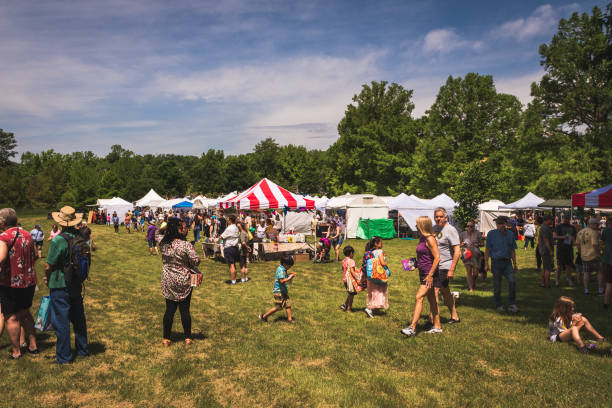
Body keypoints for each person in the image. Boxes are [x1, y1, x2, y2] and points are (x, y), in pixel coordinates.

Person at [45, 206, 88, 363]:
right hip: (76, 282)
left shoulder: (58, 240)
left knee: (61, 320)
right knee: (78, 318)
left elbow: (48, 266)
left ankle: (64, 356)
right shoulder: (81, 237)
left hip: (60, 283)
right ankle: (83, 349)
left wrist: (47, 279)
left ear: (61, 221)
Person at [0, 209, 39, 359]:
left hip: (10, 284)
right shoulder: (27, 234)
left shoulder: (4, 237)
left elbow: (1, 256)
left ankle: (16, 352)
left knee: (11, 318)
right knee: (25, 314)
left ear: (3, 222)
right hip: (28, 281)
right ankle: (33, 345)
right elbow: (35, 255)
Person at [159, 218, 200, 346]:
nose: (186, 229)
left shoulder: (163, 244)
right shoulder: (186, 245)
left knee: (169, 310)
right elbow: (196, 261)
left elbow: (159, 232)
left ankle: (166, 338)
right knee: (185, 310)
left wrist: (165, 227)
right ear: (178, 229)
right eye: (184, 227)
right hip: (183, 280)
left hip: (168, 279)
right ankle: (188, 337)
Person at [401, 216, 442, 337]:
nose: (415, 226)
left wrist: (430, 275)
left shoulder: (430, 239)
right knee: (432, 300)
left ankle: (412, 327)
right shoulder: (422, 238)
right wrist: (415, 265)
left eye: (417, 224)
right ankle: (437, 326)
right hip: (423, 272)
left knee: (419, 297)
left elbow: (437, 258)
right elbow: (424, 257)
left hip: (430, 274)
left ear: (423, 225)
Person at [484, 216, 519, 312]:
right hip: (496, 262)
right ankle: (498, 304)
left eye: (502, 223)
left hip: (507, 263)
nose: (500, 225)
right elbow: (487, 250)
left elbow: (512, 250)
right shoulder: (491, 234)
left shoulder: (510, 234)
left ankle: (512, 304)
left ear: (505, 224)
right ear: (496, 224)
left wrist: (515, 263)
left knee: (512, 281)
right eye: (498, 224)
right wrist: (486, 263)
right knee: (497, 285)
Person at [433, 208, 460, 323]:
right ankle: (455, 316)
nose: (438, 219)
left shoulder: (451, 230)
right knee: (445, 292)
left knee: (434, 292)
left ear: (445, 217)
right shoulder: (434, 229)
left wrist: (452, 269)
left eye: (440, 216)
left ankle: (433, 320)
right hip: (435, 265)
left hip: (446, 265)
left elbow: (457, 251)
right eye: (436, 217)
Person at [258, 255, 296, 323]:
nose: (289, 268)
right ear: (284, 264)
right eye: (289, 266)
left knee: (288, 304)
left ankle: (289, 319)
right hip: (279, 292)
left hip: (283, 291)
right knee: (278, 307)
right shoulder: (281, 270)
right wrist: (289, 278)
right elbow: (281, 281)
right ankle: (263, 316)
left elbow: (283, 277)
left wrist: (289, 275)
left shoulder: (282, 269)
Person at [364, 237, 389, 318]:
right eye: (381, 242)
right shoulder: (380, 251)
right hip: (379, 274)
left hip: (373, 273)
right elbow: (382, 262)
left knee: (373, 291)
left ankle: (371, 307)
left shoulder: (372, 252)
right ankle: (370, 308)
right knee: (379, 291)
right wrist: (387, 267)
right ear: (376, 244)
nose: (382, 244)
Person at [576, 218, 601, 295]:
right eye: (597, 224)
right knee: (599, 272)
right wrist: (598, 254)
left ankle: (586, 290)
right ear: (592, 224)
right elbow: (594, 245)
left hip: (584, 256)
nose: (598, 226)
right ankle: (600, 289)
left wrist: (580, 252)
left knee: (586, 273)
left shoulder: (580, 232)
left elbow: (577, 244)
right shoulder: (593, 232)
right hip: (594, 255)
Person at [460, 220, 483, 292]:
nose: (469, 227)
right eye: (468, 226)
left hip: (476, 254)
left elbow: (483, 244)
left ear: (474, 227)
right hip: (466, 253)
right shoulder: (462, 234)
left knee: (476, 272)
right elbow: (458, 244)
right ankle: (470, 288)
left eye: (471, 226)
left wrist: (478, 244)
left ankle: (473, 282)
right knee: (469, 271)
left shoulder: (478, 233)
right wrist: (462, 244)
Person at [554, 215, 576, 287]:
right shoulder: (558, 226)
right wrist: (562, 237)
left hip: (569, 248)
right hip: (561, 248)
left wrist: (574, 242)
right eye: (565, 219)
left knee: (568, 265)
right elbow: (554, 236)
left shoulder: (572, 227)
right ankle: (557, 280)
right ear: (562, 219)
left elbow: (573, 237)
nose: (566, 220)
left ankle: (569, 280)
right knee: (559, 266)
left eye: (568, 219)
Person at [340, 246, 362, 312]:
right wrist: (357, 279)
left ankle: (345, 305)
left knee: (350, 293)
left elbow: (343, 269)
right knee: (352, 294)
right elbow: (352, 271)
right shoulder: (351, 261)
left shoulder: (344, 260)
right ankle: (349, 309)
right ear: (351, 253)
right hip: (350, 280)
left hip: (345, 279)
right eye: (353, 253)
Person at [221, 215, 240, 285]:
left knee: (231, 265)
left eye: (228, 219)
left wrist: (218, 237)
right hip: (234, 247)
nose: (227, 220)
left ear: (230, 220)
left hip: (229, 247)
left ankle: (233, 281)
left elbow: (222, 236)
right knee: (233, 264)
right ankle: (234, 279)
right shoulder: (236, 227)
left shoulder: (229, 228)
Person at [538, 215, 555, 288]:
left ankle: (542, 283)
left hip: (542, 249)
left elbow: (539, 239)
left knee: (544, 267)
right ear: (547, 220)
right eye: (551, 220)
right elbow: (546, 240)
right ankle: (547, 284)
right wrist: (550, 250)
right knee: (548, 268)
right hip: (546, 250)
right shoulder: (545, 228)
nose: (552, 221)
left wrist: (540, 248)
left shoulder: (542, 227)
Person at [601, 217, 612, 308]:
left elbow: (602, 242)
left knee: (609, 283)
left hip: (608, 259)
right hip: (608, 259)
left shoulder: (606, 230)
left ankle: (606, 303)